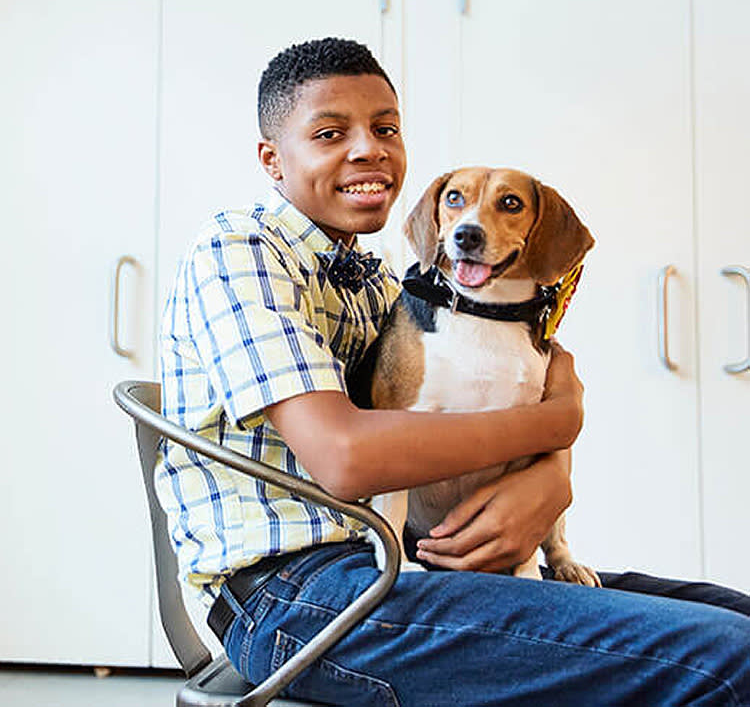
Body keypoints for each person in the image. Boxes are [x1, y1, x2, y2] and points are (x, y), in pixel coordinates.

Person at [157, 37, 750, 706]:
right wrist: (550, 425)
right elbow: (346, 460)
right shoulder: (237, 251)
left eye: (386, 129)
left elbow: (540, 380)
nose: (367, 150)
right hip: (296, 598)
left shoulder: (383, 286)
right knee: (729, 660)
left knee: (739, 620)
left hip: (401, 564)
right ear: (272, 159)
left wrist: (549, 479)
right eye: (330, 133)